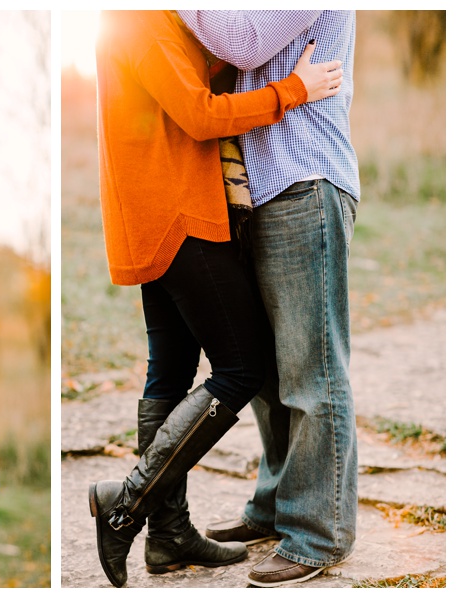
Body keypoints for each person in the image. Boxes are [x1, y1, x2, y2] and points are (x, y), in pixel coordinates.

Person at [88, 10, 343, 588]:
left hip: (153, 216)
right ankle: (126, 503)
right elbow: (200, 115)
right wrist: (293, 90)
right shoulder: (144, 21)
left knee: (169, 373)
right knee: (242, 366)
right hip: (178, 216)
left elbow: (191, 82)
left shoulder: (137, 23)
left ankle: (168, 537)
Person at [176, 10, 359, 588]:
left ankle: (316, 535)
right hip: (256, 193)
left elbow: (241, 43)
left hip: (303, 182)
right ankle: (276, 507)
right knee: (266, 374)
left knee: (312, 368)